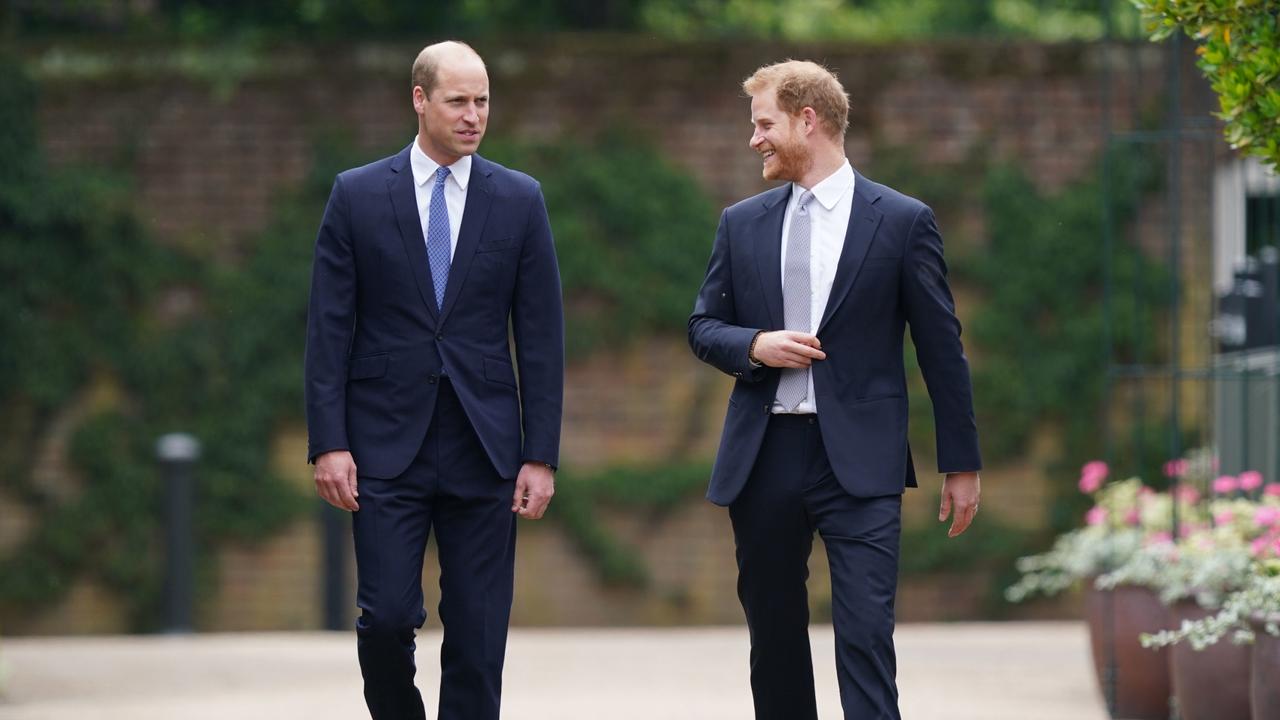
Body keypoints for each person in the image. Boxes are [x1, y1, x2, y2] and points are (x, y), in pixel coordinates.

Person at [688, 59, 982, 719]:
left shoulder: (903, 221)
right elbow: (703, 326)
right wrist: (753, 344)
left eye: (765, 123)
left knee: (867, 636)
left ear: (807, 119)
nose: (755, 138)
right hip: (763, 458)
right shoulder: (741, 223)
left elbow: (942, 349)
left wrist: (961, 462)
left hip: (863, 461)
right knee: (775, 640)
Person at [304, 40, 564, 720]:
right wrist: (328, 442)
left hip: (487, 447)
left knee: (478, 639)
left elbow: (539, 338)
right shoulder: (357, 195)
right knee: (387, 619)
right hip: (384, 445)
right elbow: (329, 329)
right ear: (420, 100)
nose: (474, 115)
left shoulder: (519, 199)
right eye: (458, 101)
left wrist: (540, 454)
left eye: (482, 101)